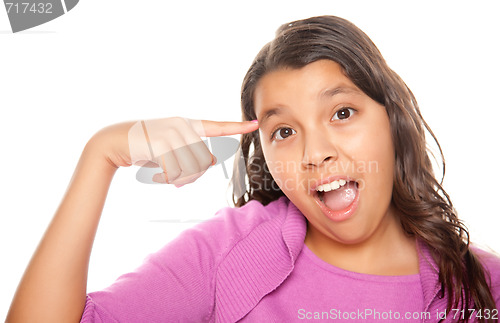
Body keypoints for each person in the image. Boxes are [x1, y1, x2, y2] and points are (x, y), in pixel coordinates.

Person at [7, 15, 500, 323]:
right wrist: (101, 155)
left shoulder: (485, 285)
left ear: (392, 120)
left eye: (342, 113)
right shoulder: (228, 253)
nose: (316, 152)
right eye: (284, 131)